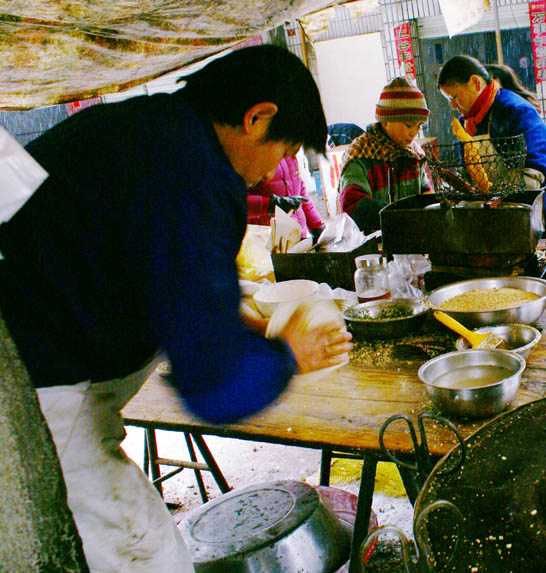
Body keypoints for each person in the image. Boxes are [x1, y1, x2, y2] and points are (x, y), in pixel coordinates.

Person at [0, 45, 353, 571]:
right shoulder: (190, 176)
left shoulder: (140, 128)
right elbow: (211, 384)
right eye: (284, 152)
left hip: (44, 360)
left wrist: (231, 315)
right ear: (258, 117)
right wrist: (287, 356)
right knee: (146, 559)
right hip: (35, 389)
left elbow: (133, 262)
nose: (273, 171)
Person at [437, 55, 546, 231]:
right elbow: (466, 172)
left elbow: (536, 168)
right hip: (499, 209)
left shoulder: (516, 110)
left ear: (475, 83)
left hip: (538, 206)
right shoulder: (465, 123)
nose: (453, 106)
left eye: (454, 97)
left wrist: (505, 201)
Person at [338, 77, 432, 232]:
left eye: (419, 126)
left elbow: (425, 195)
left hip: (411, 239)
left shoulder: (414, 155)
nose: (414, 132)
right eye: (408, 125)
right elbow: (353, 207)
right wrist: (402, 216)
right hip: (374, 244)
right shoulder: (360, 156)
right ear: (386, 120)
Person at [247, 154, 326, 243]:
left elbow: (301, 194)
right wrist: (269, 205)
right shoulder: (250, 154)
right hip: (266, 242)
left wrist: (317, 226)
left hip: (298, 239)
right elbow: (234, 202)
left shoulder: (290, 155)